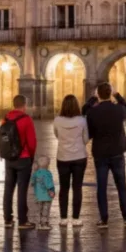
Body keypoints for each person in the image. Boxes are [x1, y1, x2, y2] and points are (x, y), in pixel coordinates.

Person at [85, 82, 126, 228]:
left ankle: (104, 219)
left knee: (101, 186)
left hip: (100, 153)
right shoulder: (118, 109)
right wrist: (117, 95)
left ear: (98, 94)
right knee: (121, 185)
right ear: (110, 93)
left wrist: (93, 99)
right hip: (117, 152)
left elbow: (84, 110)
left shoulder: (93, 112)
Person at [1, 95, 37, 229]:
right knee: (22, 190)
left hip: (9, 158)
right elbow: (32, 142)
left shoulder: (6, 118)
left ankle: (8, 219)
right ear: (24, 105)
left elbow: (2, 138)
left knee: (8, 188)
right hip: (23, 157)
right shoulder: (26, 119)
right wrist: (31, 156)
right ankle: (22, 220)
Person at [53, 94, 89, 227]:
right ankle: (75, 218)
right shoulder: (82, 120)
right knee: (77, 187)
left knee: (64, 188)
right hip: (79, 157)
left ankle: (63, 218)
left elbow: (56, 135)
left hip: (62, 157)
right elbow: (86, 139)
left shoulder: (57, 120)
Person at [30, 154, 56, 230]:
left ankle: (39, 223)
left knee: (39, 210)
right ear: (47, 164)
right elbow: (49, 184)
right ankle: (44, 224)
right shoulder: (47, 173)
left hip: (38, 195)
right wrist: (51, 191)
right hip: (46, 196)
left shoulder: (36, 173)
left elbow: (32, 182)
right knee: (45, 210)